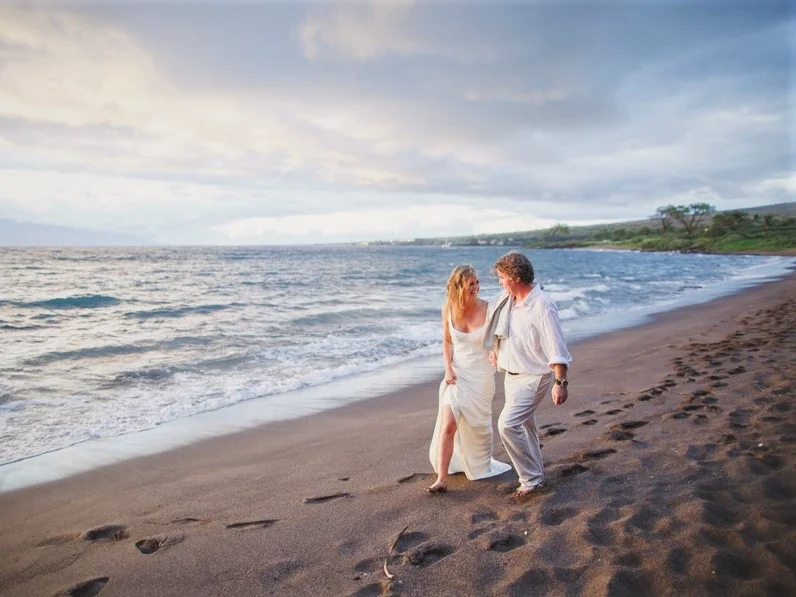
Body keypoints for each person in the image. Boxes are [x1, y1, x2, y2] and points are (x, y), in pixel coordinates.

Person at [485, 251, 572, 497]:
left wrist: (560, 382)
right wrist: (496, 350)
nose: (500, 282)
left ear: (514, 277)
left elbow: (557, 348)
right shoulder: (509, 300)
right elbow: (505, 333)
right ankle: (537, 473)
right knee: (526, 426)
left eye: (502, 277)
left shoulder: (542, 305)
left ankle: (530, 479)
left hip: (534, 376)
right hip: (511, 375)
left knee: (507, 424)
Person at [427, 265, 512, 493]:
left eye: (477, 283)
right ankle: (441, 479)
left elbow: (501, 335)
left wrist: (496, 351)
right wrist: (447, 368)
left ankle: (477, 463)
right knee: (448, 424)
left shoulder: (488, 307)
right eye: (470, 284)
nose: (475, 288)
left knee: (478, 427)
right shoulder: (447, 309)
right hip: (457, 374)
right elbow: (447, 341)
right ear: (458, 287)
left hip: (482, 375)